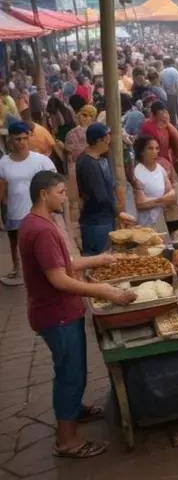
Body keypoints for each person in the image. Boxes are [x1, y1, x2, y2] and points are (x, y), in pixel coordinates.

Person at [22, 170, 136, 459]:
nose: (65, 197)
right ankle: (67, 441)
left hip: (55, 312)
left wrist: (99, 259)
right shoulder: (43, 230)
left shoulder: (34, 222)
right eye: (60, 192)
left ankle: (74, 410)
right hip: (57, 314)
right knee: (70, 375)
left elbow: (65, 264)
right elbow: (59, 279)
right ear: (43, 194)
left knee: (71, 370)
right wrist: (106, 291)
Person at [0, 121, 57, 285]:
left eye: (25, 138)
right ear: (10, 139)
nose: (22, 143)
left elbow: (55, 184)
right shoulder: (4, 163)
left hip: (36, 212)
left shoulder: (41, 161)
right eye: (18, 139)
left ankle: (45, 270)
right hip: (13, 211)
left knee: (41, 243)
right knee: (15, 243)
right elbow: (2, 189)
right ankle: (17, 269)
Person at [74, 123, 118, 255]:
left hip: (106, 219)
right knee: (99, 261)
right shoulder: (88, 164)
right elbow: (100, 196)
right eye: (107, 137)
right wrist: (118, 211)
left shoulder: (101, 159)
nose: (109, 140)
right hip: (96, 223)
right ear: (99, 140)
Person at [132, 135, 178, 233]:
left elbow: (173, 195)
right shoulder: (137, 173)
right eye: (150, 148)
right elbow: (140, 203)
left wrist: (155, 201)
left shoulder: (160, 169)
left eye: (157, 148)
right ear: (142, 152)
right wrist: (163, 200)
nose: (155, 152)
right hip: (144, 226)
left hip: (161, 222)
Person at [139, 102, 178, 184]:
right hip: (153, 162)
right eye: (162, 113)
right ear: (155, 115)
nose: (165, 115)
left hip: (165, 162)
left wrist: (167, 123)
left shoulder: (166, 126)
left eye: (165, 112)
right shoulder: (148, 127)